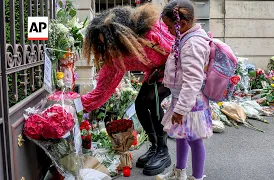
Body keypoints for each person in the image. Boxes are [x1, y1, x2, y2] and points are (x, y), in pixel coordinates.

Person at [81, 4, 175, 176]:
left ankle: (163, 151)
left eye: (107, 38)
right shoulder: (117, 54)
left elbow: (177, 50)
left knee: (152, 99)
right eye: (101, 41)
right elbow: (103, 88)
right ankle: (154, 146)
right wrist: (78, 105)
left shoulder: (150, 33)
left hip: (174, 69)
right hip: (154, 73)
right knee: (140, 103)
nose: (105, 44)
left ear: (119, 32)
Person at [156, 0, 213, 179]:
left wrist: (181, 109)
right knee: (181, 135)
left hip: (190, 102)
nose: (168, 30)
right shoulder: (185, 39)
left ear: (182, 24)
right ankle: (179, 172)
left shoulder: (193, 44)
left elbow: (193, 80)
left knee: (194, 140)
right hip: (181, 98)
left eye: (169, 26)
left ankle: (197, 177)